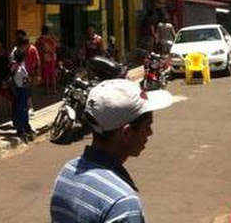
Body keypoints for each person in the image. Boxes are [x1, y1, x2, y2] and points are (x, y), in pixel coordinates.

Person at [50, 79, 172, 222]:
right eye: (147, 126)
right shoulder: (122, 203)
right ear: (126, 133)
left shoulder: (68, 171)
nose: (150, 133)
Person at [11, 49, 34, 141]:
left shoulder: (18, 66)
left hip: (21, 89)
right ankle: (21, 129)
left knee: (23, 109)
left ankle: (25, 127)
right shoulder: (19, 69)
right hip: (21, 90)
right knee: (22, 110)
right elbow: (23, 81)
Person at [37, 25, 60, 94]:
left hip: (44, 58)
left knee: (46, 74)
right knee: (52, 74)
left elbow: (38, 48)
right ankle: (54, 89)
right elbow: (57, 44)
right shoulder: (52, 38)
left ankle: (47, 90)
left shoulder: (40, 39)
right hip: (52, 58)